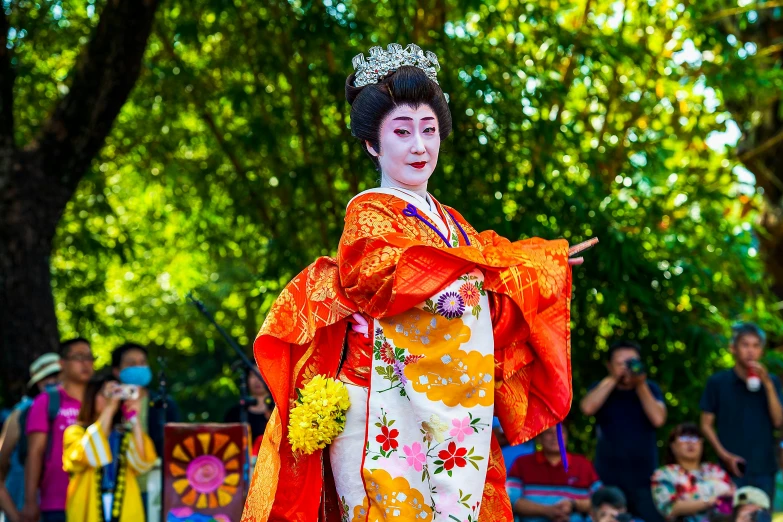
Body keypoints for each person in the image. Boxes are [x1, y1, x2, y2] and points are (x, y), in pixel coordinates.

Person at [242, 43, 582, 521]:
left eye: (429, 130)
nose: (419, 146)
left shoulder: (453, 223)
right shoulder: (368, 213)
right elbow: (382, 281)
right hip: (377, 408)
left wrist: (539, 270)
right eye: (402, 132)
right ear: (372, 144)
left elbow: (488, 293)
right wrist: (494, 268)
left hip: (449, 412)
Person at [579, 339, 667, 522]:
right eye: (621, 363)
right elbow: (587, 408)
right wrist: (613, 378)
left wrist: (640, 383)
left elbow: (658, 419)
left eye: (632, 362)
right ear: (609, 365)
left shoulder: (650, 388)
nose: (627, 367)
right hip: (608, 477)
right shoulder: (601, 387)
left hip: (645, 480)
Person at [700, 323, 783, 502]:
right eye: (745, 345)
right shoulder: (718, 382)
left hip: (764, 467)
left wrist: (767, 385)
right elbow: (705, 424)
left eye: (756, 345)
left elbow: (778, 421)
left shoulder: (772, 382)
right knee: (728, 517)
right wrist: (724, 455)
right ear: (733, 348)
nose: (750, 351)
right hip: (729, 468)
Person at [63, 376, 156, 522]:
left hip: (125, 505)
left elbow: (143, 463)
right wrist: (109, 408)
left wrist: (134, 419)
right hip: (87, 507)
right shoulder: (75, 432)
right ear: (91, 397)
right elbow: (87, 455)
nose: (110, 398)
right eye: (104, 393)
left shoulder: (123, 434)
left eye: (115, 393)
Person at [22, 338, 94, 522]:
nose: (85, 363)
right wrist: (30, 501)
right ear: (62, 363)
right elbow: (35, 452)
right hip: (57, 502)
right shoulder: (46, 401)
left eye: (89, 357)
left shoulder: (101, 401)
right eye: (78, 357)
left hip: (96, 501)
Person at [0, 353, 61, 522]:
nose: (53, 382)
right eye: (46, 378)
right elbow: (2, 463)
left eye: (57, 375)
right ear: (37, 384)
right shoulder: (21, 414)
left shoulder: (78, 410)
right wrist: (14, 514)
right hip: (22, 507)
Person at [507, 425, 601, 522]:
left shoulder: (583, 464)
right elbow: (510, 501)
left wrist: (573, 504)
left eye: (561, 432)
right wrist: (547, 511)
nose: (556, 437)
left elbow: (601, 499)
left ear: (567, 437)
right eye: (549, 433)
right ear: (539, 438)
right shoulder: (522, 463)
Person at [651, 423, 735, 522]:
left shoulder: (715, 470)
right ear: (673, 446)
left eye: (695, 438)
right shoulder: (664, 474)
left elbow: (733, 496)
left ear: (702, 444)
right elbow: (669, 508)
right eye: (684, 438)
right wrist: (710, 501)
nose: (690, 442)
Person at [110, 342, 179, 457]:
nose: (138, 367)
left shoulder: (164, 404)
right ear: (117, 371)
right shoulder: (108, 403)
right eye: (131, 363)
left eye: (142, 363)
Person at [224, 367, 272, 452]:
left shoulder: (279, 410)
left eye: (262, 373)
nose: (258, 379)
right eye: (253, 375)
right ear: (246, 379)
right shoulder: (234, 413)